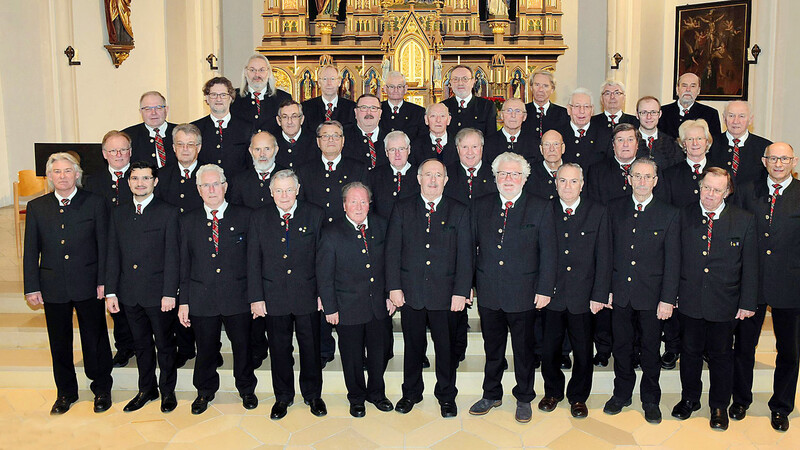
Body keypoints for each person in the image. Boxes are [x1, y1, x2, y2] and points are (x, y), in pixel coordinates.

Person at [468, 152, 556, 423]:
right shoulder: (480, 205)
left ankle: (524, 397)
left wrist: (544, 289)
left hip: (525, 293)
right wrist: (469, 285)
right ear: (495, 178)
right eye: (503, 174)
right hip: (489, 291)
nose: (509, 179)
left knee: (524, 350)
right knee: (492, 348)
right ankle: (491, 393)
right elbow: (469, 249)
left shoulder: (540, 207)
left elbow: (549, 252)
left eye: (515, 174)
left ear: (524, 178)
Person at [23, 152, 113, 415]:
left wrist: (103, 281)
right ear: (49, 176)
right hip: (53, 285)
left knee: (94, 339)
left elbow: (104, 245)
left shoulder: (95, 203)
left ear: (77, 174)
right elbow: (31, 250)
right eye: (57, 172)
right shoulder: (37, 207)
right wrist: (32, 285)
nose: (62, 177)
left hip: (88, 283)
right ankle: (65, 393)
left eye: (67, 171)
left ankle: (101, 389)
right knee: (59, 342)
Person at [386, 159, 473, 418]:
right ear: (418, 178)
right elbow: (392, 251)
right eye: (428, 175)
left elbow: (466, 256)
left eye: (438, 175)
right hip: (411, 293)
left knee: (445, 350)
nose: (433, 180)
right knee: (413, 347)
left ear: (446, 180)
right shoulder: (402, 208)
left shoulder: (459, 210)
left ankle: (446, 396)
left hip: (446, 296)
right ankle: (411, 393)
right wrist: (394, 287)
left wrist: (461, 291)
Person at [672, 167, 756, 431]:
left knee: (721, 356)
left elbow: (751, 266)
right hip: (689, 299)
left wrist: (747, 302)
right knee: (690, 353)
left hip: (725, 301)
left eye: (717, 189)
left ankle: (719, 405)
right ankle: (689, 399)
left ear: (727, 192)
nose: (710, 194)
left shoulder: (744, 220)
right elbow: (674, 259)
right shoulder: (682, 215)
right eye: (706, 187)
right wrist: (671, 295)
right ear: (700, 186)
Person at [603, 157, 680, 424]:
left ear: (656, 181)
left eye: (648, 176)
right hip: (620, 293)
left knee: (650, 349)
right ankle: (621, 393)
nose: (642, 181)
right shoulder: (614, 209)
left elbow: (673, 261)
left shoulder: (669, 214)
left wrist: (668, 299)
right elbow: (607, 253)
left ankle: (650, 399)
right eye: (637, 176)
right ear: (629, 178)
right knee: (621, 347)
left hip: (652, 296)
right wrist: (606, 290)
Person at [177, 164, 258, 414]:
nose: (211, 189)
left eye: (216, 184)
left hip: (239, 297)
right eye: (205, 185)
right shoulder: (187, 221)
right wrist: (184, 301)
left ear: (225, 186)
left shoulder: (246, 216)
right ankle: (204, 391)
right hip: (202, 298)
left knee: (243, 347)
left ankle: (246, 388)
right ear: (199, 189)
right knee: (206, 348)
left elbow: (254, 261)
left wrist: (255, 298)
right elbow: (184, 264)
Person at [247, 169, 328, 420]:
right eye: (279, 190)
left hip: (308, 294)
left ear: (297, 190)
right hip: (273, 296)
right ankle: (283, 396)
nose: (284, 195)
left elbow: (322, 259)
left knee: (311, 348)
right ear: (271, 193)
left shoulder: (315, 214)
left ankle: (313, 395)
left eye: (288, 189)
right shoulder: (259, 217)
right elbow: (252, 260)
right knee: (279, 349)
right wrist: (256, 297)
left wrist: (323, 294)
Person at [733, 142, 799, 431]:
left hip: (791, 285)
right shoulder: (746, 190)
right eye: (773, 158)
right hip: (752, 283)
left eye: (784, 158)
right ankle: (740, 399)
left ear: (793, 161)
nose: (779, 163)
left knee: (789, 350)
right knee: (745, 345)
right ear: (764, 160)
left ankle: (781, 406)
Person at [105, 161, 180, 413]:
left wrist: (170, 291)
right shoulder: (118, 213)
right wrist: (111, 291)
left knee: (165, 345)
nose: (140, 183)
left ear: (155, 182)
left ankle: (168, 391)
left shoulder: (169, 212)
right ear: (128, 182)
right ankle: (146, 389)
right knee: (141, 345)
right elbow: (113, 254)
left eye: (146, 178)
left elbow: (173, 255)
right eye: (135, 178)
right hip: (129, 293)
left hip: (160, 295)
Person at [539, 162, 611, 419]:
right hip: (551, 295)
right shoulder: (544, 209)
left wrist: (599, 295)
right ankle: (552, 392)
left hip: (584, 296)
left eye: (573, 181)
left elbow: (604, 256)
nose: (567, 186)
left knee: (582, 350)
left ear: (582, 184)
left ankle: (578, 396)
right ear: (555, 183)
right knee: (549, 349)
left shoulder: (598, 211)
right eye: (562, 181)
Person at [318, 182, 394, 418]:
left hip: (378, 306)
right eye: (353, 201)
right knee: (351, 358)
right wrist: (330, 307)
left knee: (379, 353)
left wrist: (392, 292)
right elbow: (325, 274)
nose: (359, 206)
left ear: (370, 204)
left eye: (363, 201)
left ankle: (376, 393)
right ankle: (357, 397)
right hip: (346, 308)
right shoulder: (331, 233)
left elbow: (391, 262)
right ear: (344, 205)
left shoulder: (383, 226)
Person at [83, 130, 136, 368]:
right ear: (104, 154)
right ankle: (124, 346)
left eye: (123, 149)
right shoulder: (92, 182)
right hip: (103, 251)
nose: (118, 154)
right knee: (115, 302)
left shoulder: (140, 177)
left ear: (130, 152)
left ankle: (143, 342)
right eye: (113, 150)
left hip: (134, 249)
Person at [192, 77, 252, 179]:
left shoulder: (246, 128)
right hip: (207, 190)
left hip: (237, 190)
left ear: (231, 98)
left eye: (223, 95)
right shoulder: (195, 128)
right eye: (213, 95)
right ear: (207, 98)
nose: (218, 99)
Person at [709, 100, 772, 187]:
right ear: (724, 119)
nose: (736, 121)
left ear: (750, 120)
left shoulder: (765, 147)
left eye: (741, 116)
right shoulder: (710, 144)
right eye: (731, 116)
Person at [586, 123, 647, 205]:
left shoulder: (650, 170)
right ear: (613, 144)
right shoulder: (597, 171)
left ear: (637, 144)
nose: (625, 145)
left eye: (630, 140)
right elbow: (594, 206)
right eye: (620, 140)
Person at [231, 54, 291, 135]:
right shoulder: (233, 98)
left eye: (262, 70)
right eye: (252, 70)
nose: (257, 75)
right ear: (245, 72)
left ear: (269, 72)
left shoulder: (283, 98)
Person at [367, 130, 420, 220]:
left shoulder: (420, 175)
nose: (397, 154)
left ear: (409, 149)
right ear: (386, 153)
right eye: (392, 150)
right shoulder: (374, 176)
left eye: (401, 149)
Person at [154, 123, 205, 216]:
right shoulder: (162, 175)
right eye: (180, 144)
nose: (185, 149)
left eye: (190, 144)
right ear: (174, 148)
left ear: (198, 147)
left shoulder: (209, 174)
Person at [229, 131, 286, 211]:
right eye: (257, 149)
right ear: (250, 151)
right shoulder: (239, 181)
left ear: (276, 150)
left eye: (267, 149)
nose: (262, 154)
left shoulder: (288, 177)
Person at [557, 88, 612, 170]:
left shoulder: (604, 135)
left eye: (586, 107)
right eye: (577, 106)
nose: (581, 111)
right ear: (569, 109)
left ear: (592, 110)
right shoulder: (558, 134)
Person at [123, 91, 177, 168]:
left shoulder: (180, 133)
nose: (153, 113)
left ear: (166, 109)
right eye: (147, 109)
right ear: (141, 112)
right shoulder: (128, 136)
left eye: (158, 108)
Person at [444, 128, 498, 205]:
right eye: (465, 147)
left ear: (481, 148)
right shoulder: (447, 173)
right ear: (458, 149)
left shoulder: (494, 173)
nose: (470, 152)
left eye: (474, 147)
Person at [660, 72, 722, 138]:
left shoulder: (710, 114)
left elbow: (714, 143)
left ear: (698, 90)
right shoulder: (662, 112)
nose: (688, 89)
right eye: (684, 85)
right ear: (677, 89)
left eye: (693, 86)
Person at [443, 65, 497, 137]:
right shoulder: (443, 106)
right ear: (450, 83)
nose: (460, 83)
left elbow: (491, 137)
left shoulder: (486, 106)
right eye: (455, 79)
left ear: (473, 82)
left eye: (465, 79)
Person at [301, 65, 357, 133]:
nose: (329, 83)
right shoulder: (306, 107)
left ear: (339, 82)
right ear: (319, 83)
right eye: (325, 79)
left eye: (333, 79)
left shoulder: (351, 107)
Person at [484, 98, 540, 164]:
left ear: (524, 117)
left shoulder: (535, 144)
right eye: (509, 111)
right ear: (502, 115)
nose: (513, 115)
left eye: (518, 111)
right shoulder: (488, 143)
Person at [635, 96, 683, 170]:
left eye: (653, 112)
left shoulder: (672, 144)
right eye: (644, 112)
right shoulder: (629, 142)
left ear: (660, 114)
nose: (649, 117)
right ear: (637, 115)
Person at [343, 94, 387, 170]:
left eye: (373, 108)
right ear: (356, 112)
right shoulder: (342, 136)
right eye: (364, 108)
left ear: (380, 113)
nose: (368, 113)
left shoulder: (390, 137)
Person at [380, 71, 426, 142]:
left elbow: (422, 140)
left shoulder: (418, 112)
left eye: (399, 86)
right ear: (385, 89)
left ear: (405, 89)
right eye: (392, 87)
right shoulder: (377, 110)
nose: (396, 90)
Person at [410, 102, 459, 167]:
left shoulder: (458, 143)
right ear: (426, 120)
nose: (438, 120)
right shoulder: (415, 145)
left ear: (449, 120)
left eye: (442, 116)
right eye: (433, 116)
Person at [274, 100, 319, 170]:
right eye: (285, 117)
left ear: (301, 119)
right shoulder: (272, 142)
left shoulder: (315, 141)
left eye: (294, 116)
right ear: (278, 120)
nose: (289, 121)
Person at [524, 70, 569, 137]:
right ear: (531, 88)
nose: (540, 89)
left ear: (552, 89)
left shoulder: (563, 113)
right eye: (537, 85)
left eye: (545, 86)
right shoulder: (522, 111)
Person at [525, 130, 565, 201]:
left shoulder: (573, 171)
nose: (551, 149)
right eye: (547, 144)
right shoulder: (529, 173)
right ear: (541, 149)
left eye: (556, 144)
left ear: (563, 148)